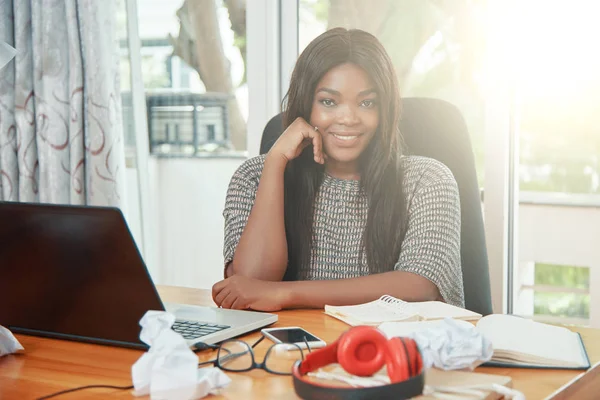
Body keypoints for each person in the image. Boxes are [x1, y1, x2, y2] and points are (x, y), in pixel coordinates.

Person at [212, 28, 464, 312]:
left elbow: (420, 286)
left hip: (391, 349)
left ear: (386, 111)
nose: (348, 118)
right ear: (305, 106)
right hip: (288, 351)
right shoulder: (253, 177)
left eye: (367, 103)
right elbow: (249, 287)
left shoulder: (427, 180)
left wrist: (286, 294)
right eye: (328, 102)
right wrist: (274, 164)